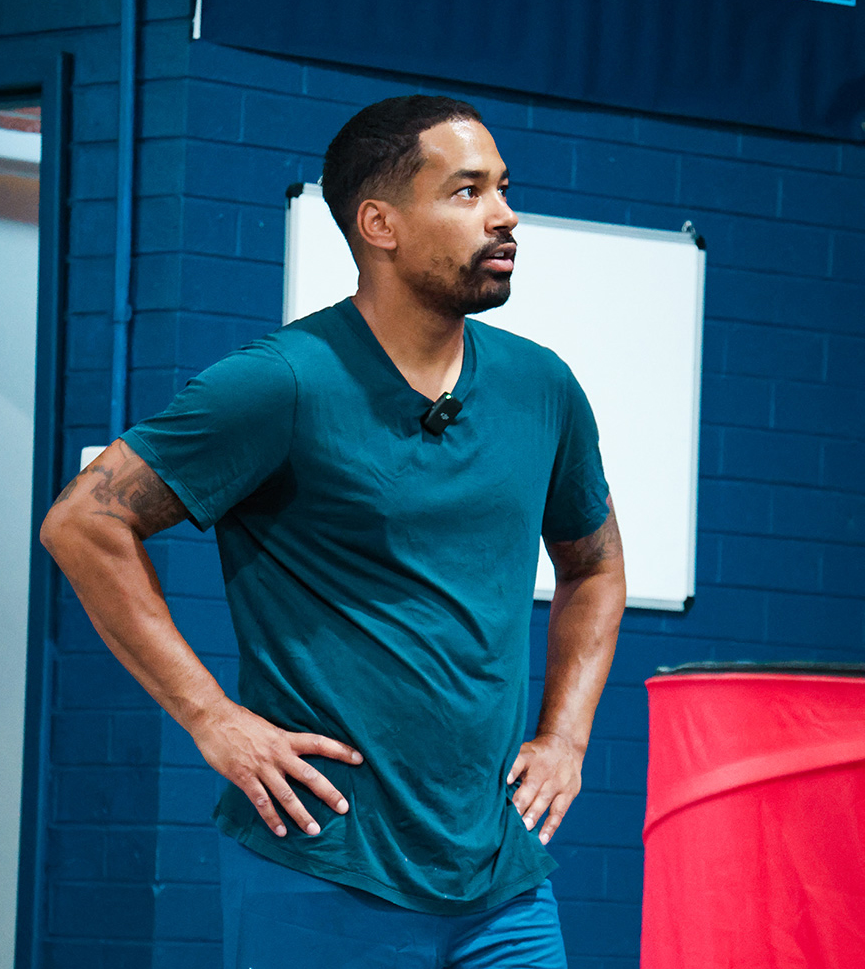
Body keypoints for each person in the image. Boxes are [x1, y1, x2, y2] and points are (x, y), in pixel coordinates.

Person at [41, 95, 625, 968]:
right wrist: (213, 720)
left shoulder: (544, 388)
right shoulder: (279, 383)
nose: (505, 215)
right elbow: (83, 523)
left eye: (503, 189)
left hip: (502, 880)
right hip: (320, 865)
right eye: (467, 192)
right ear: (379, 222)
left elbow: (595, 568)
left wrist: (567, 737)